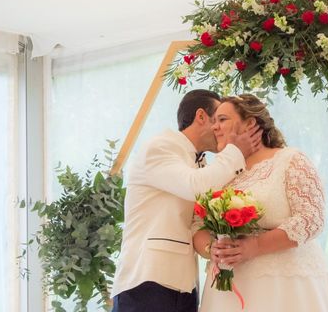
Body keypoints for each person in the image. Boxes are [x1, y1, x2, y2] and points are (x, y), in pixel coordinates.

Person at [193, 94, 328, 312]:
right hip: (228, 292)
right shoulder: (216, 172)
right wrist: (212, 249)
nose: (214, 127)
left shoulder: (289, 160)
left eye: (222, 120)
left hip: (285, 287)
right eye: (213, 121)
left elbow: (311, 219)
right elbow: (197, 224)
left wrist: (254, 246)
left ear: (250, 123)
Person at [111, 89, 262, 312]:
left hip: (183, 287)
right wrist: (235, 150)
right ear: (201, 117)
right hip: (148, 281)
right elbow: (195, 187)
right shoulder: (160, 147)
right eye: (218, 120)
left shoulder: (200, 163)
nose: (221, 130)